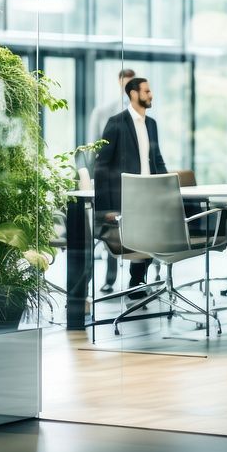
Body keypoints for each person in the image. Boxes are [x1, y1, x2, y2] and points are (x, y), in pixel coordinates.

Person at [94, 77, 167, 300]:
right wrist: (105, 206)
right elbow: (102, 165)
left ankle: (137, 281)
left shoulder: (151, 124)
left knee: (149, 239)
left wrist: (167, 185)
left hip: (150, 193)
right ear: (133, 94)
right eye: (147, 91)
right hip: (128, 195)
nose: (150, 94)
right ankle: (135, 283)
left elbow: (156, 158)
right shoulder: (116, 123)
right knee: (136, 239)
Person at [87, 68, 136, 293]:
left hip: (135, 182)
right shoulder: (103, 111)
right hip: (111, 182)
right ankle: (110, 278)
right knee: (112, 227)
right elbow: (92, 149)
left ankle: (139, 280)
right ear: (119, 82)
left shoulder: (140, 113)